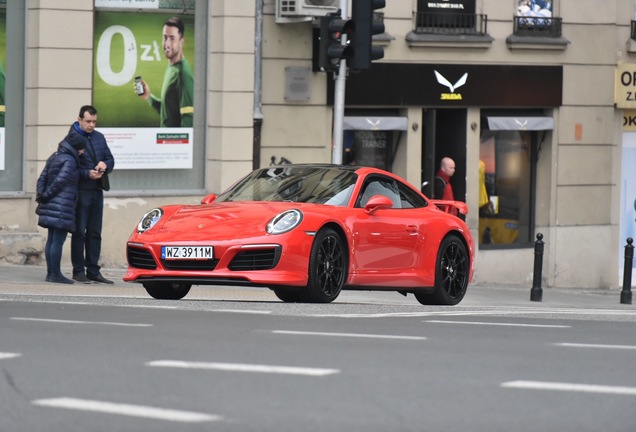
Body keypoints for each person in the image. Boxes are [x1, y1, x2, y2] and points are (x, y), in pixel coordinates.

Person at [69, 105, 115, 284]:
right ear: (79, 119)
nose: (91, 125)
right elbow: (69, 168)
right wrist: (87, 173)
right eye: (88, 121)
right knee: (79, 232)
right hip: (81, 191)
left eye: (94, 122)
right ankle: (78, 270)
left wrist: (105, 165)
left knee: (95, 232)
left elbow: (110, 159)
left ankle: (93, 270)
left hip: (97, 190)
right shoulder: (72, 139)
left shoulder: (99, 138)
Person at [36, 135, 86, 284]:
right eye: (82, 148)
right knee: (57, 240)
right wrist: (46, 195)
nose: (83, 152)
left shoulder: (56, 156)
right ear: (76, 147)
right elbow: (60, 182)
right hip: (62, 206)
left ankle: (50, 273)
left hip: (50, 203)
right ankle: (55, 274)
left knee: (51, 240)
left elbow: (42, 177)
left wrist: (41, 195)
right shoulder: (70, 160)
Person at [136, 16, 194, 127]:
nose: (167, 44)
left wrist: (175, 143)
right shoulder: (172, 67)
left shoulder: (183, 74)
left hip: (172, 143)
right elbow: (168, 112)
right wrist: (148, 97)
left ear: (181, 42)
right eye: (165, 38)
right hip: (166, 142)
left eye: (172, 38)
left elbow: (188, 118)